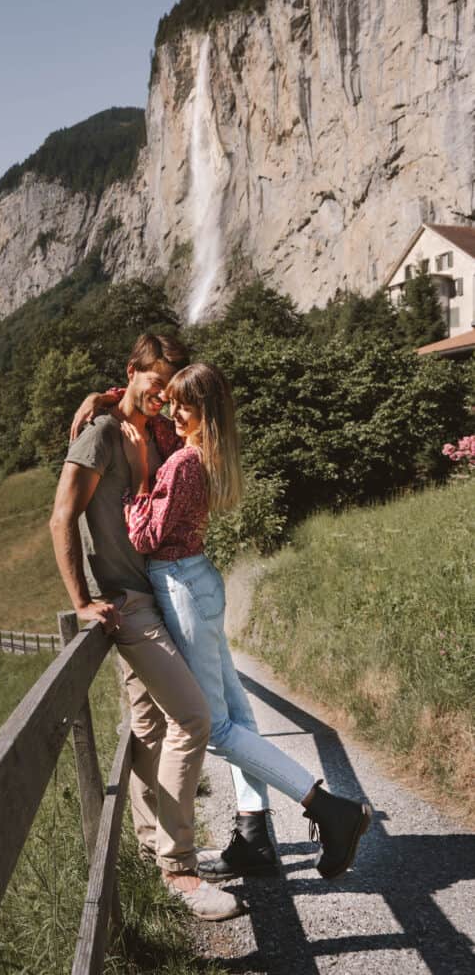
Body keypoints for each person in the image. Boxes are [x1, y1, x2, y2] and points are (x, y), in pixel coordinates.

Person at [113, 361, 373, 881]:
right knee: (236, 712)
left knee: (213, 727)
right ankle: (256, 835)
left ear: (204, 410)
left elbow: (145, 538)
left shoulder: (186, 463)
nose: (175, 411)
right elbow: (157, 422)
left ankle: (329, 808)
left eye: (186, 403)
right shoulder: (203, 450)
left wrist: (128, 498)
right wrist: (113, 400)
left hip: (182, 585)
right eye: (174, 400)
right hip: (196, 581)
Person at [49, 333, 244, 921]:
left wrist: (111, 395)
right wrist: (82, 600)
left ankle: (152, 846)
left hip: (152, 593)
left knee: (151, 725)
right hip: (127, 603)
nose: (162, 396)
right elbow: (61, 517)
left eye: (169, 385)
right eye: (154, 383)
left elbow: (163, 431)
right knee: (193, 716)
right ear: (132, 371)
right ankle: (178, 869)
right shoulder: (101, 433)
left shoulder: (150, 433)